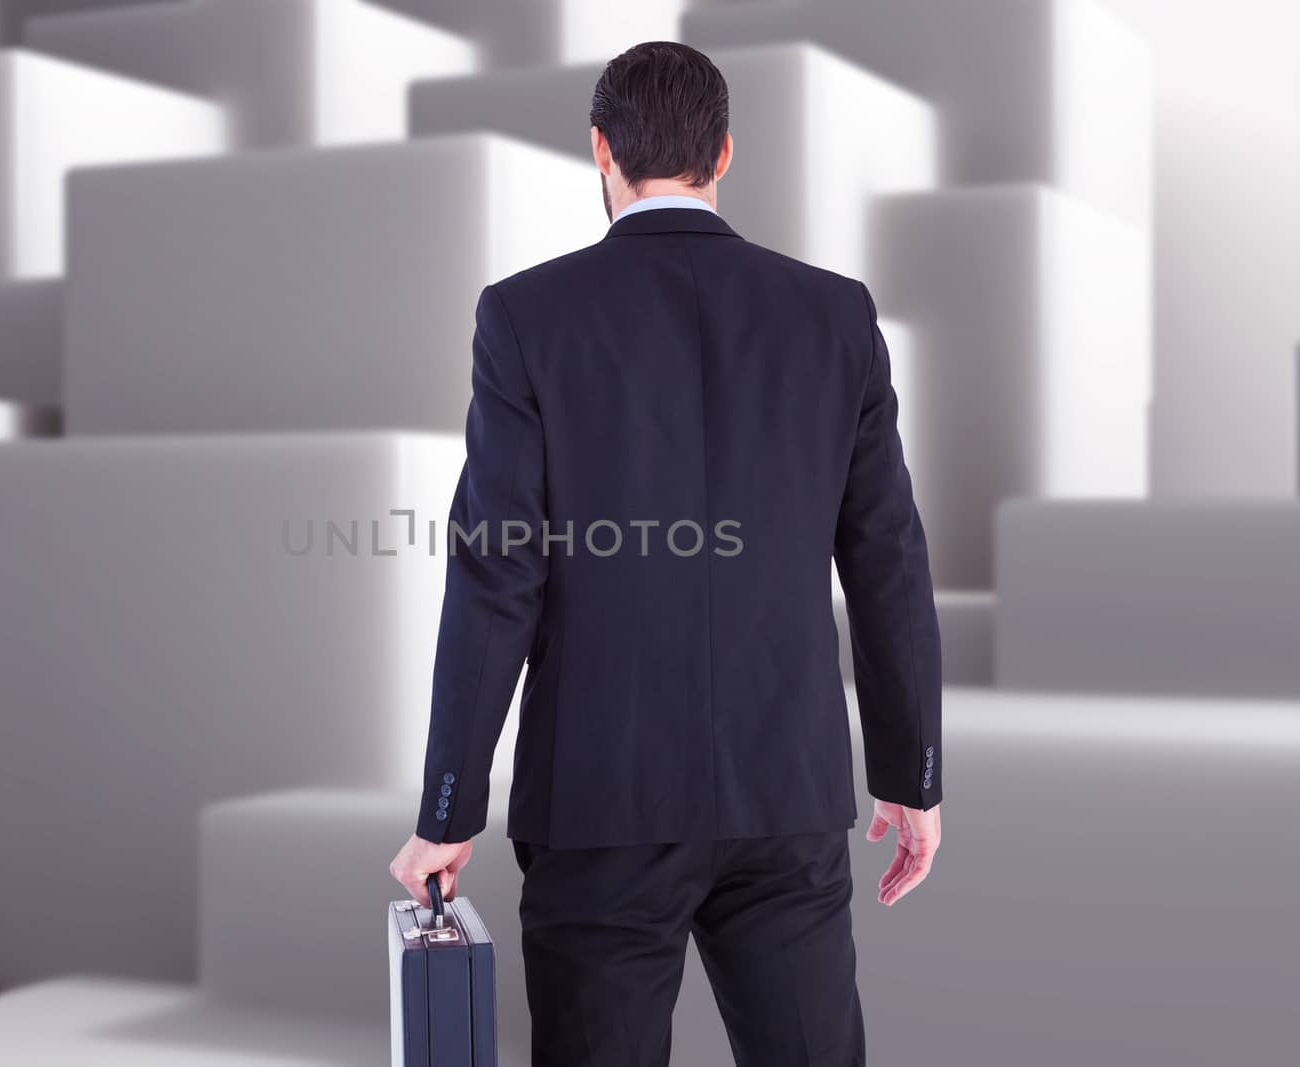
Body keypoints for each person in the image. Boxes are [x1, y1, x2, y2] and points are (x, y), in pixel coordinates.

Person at [389, 40, 942, 1065]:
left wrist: (447, 810)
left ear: (599, 149)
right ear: (722, 153)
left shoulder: (525, 315)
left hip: (598, 800)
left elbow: (495, 571)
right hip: (785, 790)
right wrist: (912, 773)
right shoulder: (834, 314)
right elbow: (886, 557)